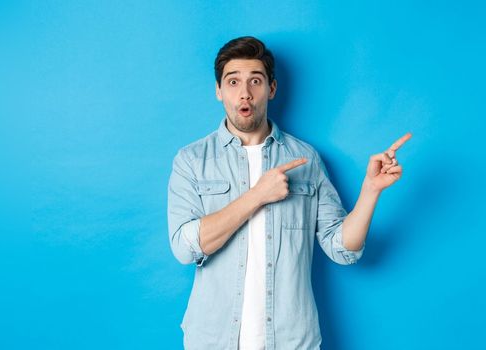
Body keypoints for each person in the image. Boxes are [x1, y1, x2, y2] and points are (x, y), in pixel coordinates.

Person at [167, 36, 411, 350]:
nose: (245, 93)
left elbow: (343, 248)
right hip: (212, 340)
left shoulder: (306, 158)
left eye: (255, 80)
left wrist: (370, 190)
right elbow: (185, 248)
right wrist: (258, 195)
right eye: (233, 81)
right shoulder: (191, 160)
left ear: (271, 88)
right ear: (218, 91)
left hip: (291, 341)